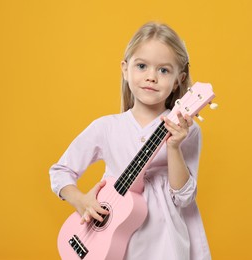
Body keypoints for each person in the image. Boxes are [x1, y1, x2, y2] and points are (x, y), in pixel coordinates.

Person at [49, 22, 211, 260]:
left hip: (164, 240)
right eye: (142, 66)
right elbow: (60, 171)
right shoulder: (107, 127)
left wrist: (174, 147)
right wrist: (81, 201)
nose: (151, 77)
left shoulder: (185, 129)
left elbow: (184, 197)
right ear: (125, 69)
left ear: (179, 79)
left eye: (164, 70)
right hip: (109, 239)